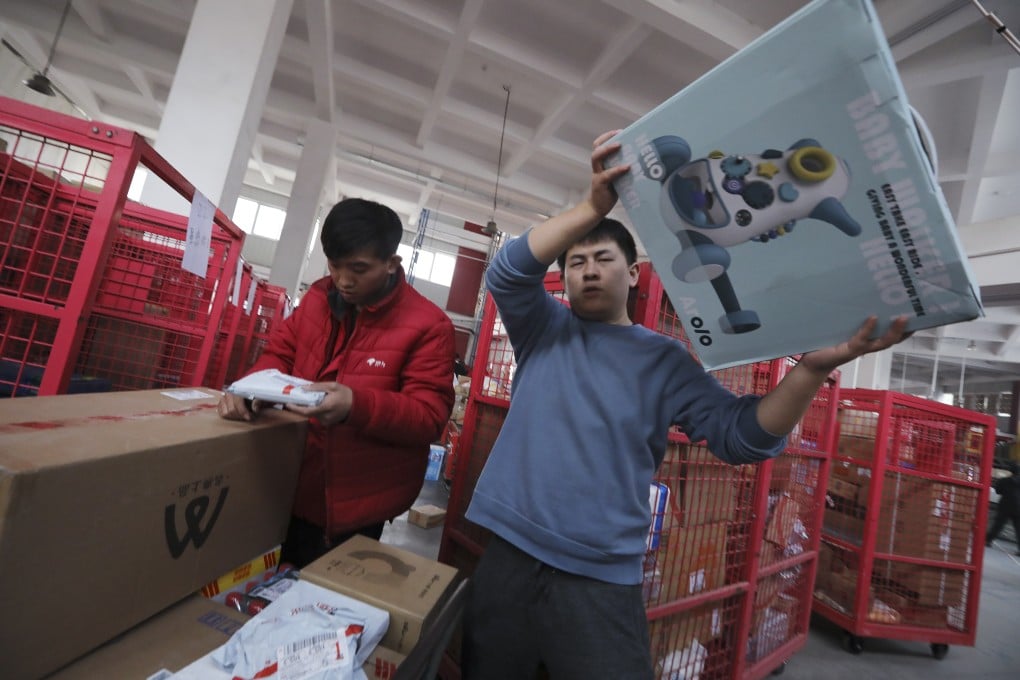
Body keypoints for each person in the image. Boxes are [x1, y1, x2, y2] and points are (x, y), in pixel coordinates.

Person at [461, 131, 909, 679]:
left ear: (632, 274)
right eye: (575, 262)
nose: (588, 270)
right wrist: (590, 209)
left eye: (603, 258)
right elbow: (506, 273)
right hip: (509, 552)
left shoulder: (665, 361)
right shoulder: (543, 328)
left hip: (600, 575)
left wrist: (811, 370)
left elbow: (742, 437)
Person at [217, 197, 456, 568]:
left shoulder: (429, 326)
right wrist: (248, 388)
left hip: (355, 500)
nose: (343, 280)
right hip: (287, 481)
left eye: (359, 268)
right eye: (334, 264)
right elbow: (279, 353)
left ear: (392, 264)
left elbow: (428, 416)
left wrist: (355, 406)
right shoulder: (317, 298)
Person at [987, 461, 1020, 555]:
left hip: (1005, 505)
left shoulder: (1004, 481)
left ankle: (988, 540)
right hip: (1018, 507)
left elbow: (998, 491)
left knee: (998, 525)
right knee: (1018, 529)